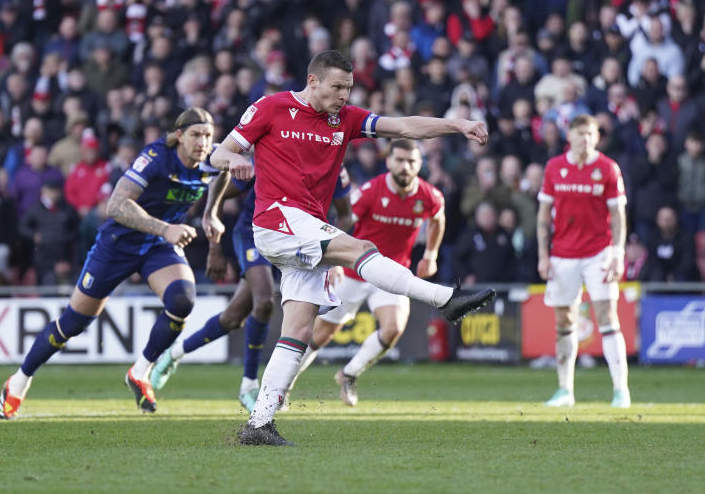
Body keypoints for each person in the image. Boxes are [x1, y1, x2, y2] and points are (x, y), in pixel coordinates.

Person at [209, 50, 494, 446]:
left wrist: (457, 124)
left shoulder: (347, 119)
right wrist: (233, 161)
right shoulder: (270, 107)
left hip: (304, 230)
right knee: (359, 246)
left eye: (349, 87)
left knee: (299, 330)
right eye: (337, 86)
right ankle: (443, 297)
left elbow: (406, 127)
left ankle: (259, 424)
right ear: (313, 82)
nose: (344, 95)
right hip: (277, 220)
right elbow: (219, 150)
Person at [0, 108, 217, 419]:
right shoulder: (156, 157)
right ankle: (18, 381)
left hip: (156, 247)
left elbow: (231, 173)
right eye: (196, 134)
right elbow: (115, 205)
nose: (203, 142)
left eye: (208, 135)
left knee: (182, 299)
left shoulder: (214, 158)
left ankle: (140, 372)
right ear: (179, 135)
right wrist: (166, 228)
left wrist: (213, 213)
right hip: (118, 245)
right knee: (73, 323)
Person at [148, 166, 352, 412]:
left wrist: (332, 256)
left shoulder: (334, 166)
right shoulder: (275, 152)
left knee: (233, 317)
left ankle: (173, 354)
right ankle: (249, 385)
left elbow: (346, 215)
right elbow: (219, 191)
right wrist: (215, 248)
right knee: (264, 301)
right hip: (254, 234)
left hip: (300, 243)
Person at [287, 139, 446, 407]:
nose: (405, 166)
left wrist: (431, 254)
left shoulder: (430, 196)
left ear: (420, 164)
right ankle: (284, 386)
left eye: (411, 162)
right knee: (320, 335)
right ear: (389, 162)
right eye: (399, 160)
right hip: (353, 271)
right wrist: (334, 259)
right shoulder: (372, 191)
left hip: (392, 275)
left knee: (393, 328)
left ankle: (349, 374)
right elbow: (345, 222)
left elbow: (438, 219)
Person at [536, 114, 630, 409]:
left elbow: (618, 216)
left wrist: (618, 254)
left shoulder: (607, 168)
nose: (585, 139)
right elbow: (542, 217)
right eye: (580, 134)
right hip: (563, 254)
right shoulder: (554, 168)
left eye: (590, 134)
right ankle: (565, 390)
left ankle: (620, 390)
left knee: (607, 315)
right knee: (564, 321)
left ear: (597, 137)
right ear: (570, 136)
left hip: (598, 253)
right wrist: (543, 254)